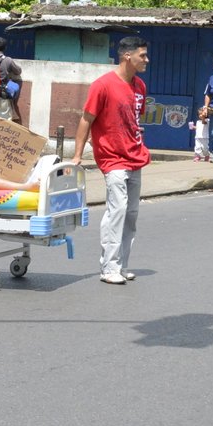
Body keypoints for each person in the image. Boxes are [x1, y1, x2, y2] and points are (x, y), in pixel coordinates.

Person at [71, 35, 151, 285]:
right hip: (112, 158)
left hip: (135, 156)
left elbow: (136, 119)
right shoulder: (103, 85)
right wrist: (77, 155)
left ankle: (122, 264)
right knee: (117, 210)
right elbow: (86, 119)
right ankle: (109, 267)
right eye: (143, 55)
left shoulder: (140, 86)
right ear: (128, 56)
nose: (146, 60)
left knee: (131, 214)